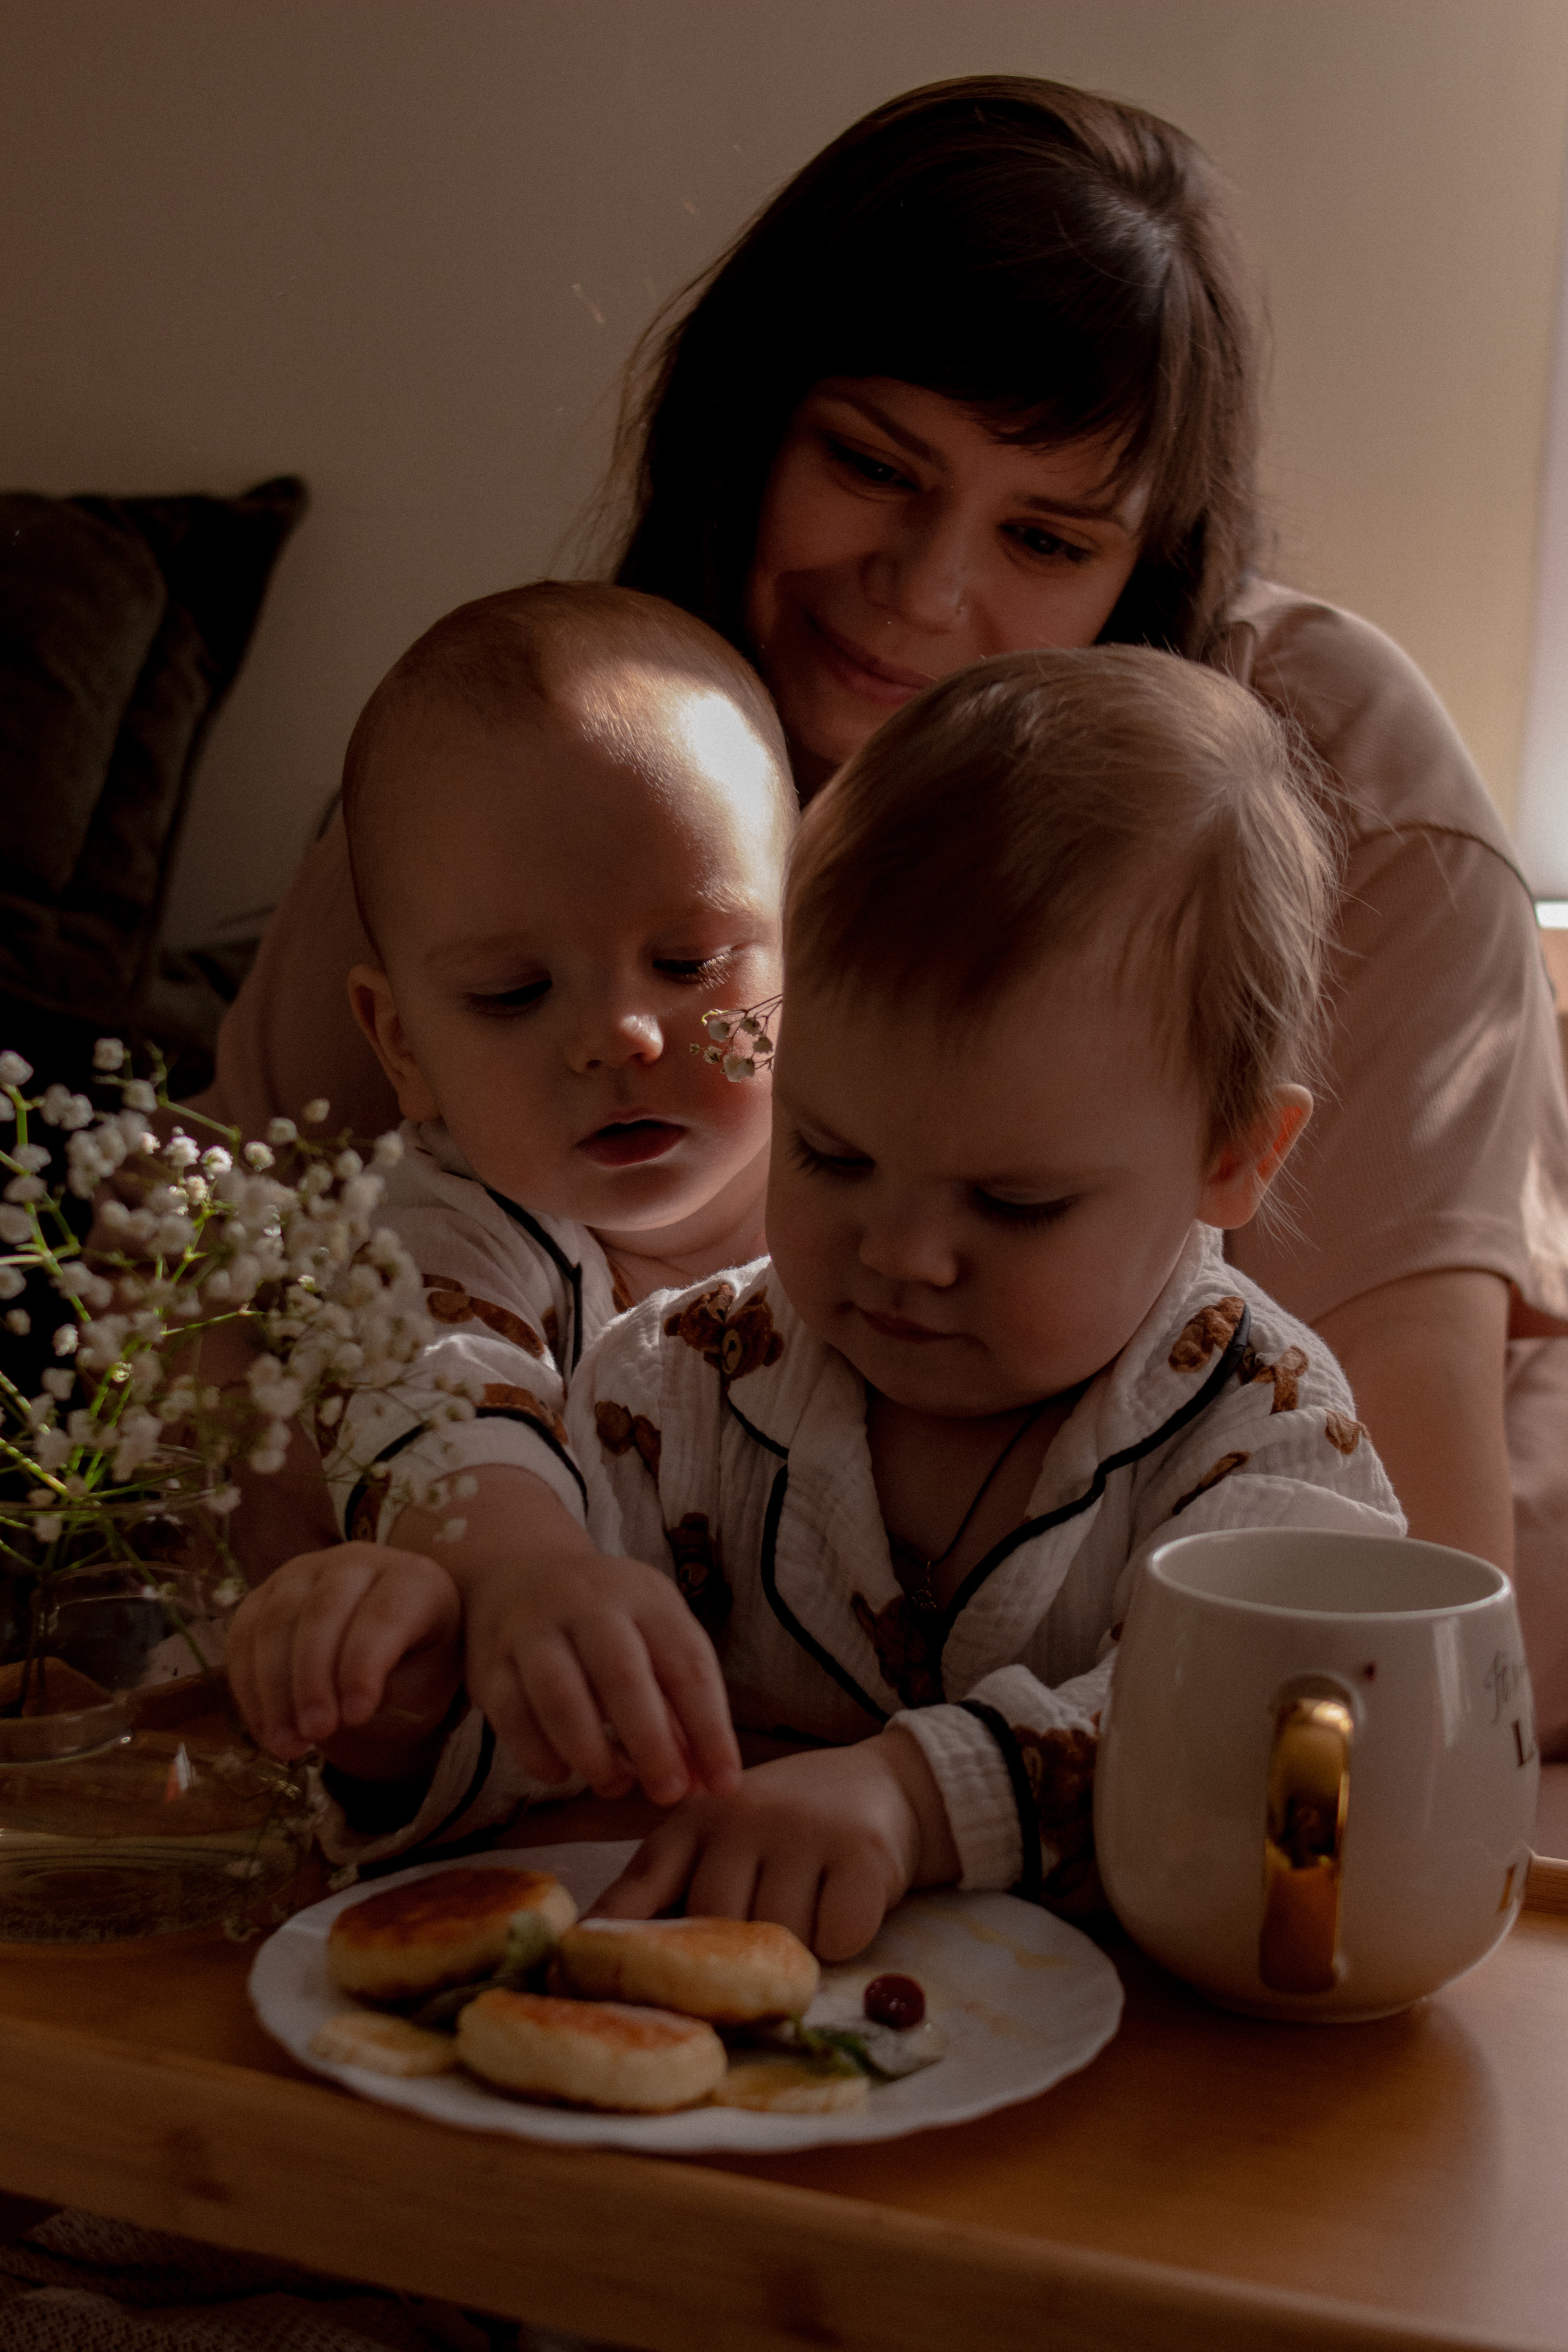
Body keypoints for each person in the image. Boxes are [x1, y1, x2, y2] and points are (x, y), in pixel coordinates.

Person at [203, 74, 1568, 1749]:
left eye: (1048, 537)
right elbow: (255, 1433)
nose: (925, 593)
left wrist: (917, 1795)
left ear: (1142, 578)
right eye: (868, 462)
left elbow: (1387, 1642)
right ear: (747, 419)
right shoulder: (520, 770)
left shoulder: (1344, 806)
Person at [240, 649, 1405, 1940]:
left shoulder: (1267, 1426)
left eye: (1012, 1205)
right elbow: (557, 1730)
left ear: (1232, 1155)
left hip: (1157, 2108)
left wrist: (915, 1797)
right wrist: (412, 1707)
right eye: (830, 1156)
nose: (901, 1253)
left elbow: (1299, 1738)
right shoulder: (674, 1388)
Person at [225, 578, 798, 1813]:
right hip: (548, 1828)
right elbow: (441, 1393)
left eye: (690, 963)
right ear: (401, 1047)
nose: (620, 1035)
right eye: (509, 993)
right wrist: (518, 1575)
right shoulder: (440, 1222)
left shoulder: (870, 1190)